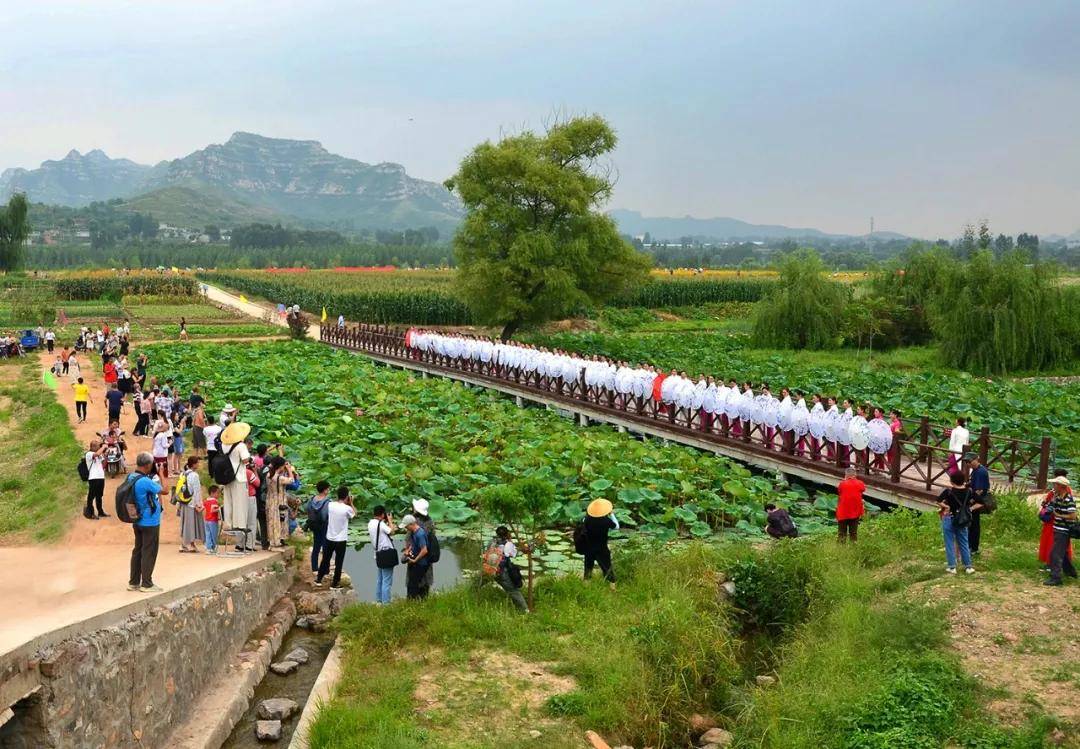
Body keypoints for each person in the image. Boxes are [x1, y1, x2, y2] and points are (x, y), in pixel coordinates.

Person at [128, 452, 163, 592]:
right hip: (150, 521)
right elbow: (164, 490)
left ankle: (134, 582)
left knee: (138, 550)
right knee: (149, 551)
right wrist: (161, 473)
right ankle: (147, 584)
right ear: (148, 465)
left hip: (137, 520)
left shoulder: (131, 477)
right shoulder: (145, 481)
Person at [219, 421, 253, 550]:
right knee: (240, 503)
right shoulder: (241, 446)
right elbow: (245, 460)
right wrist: (250, 459)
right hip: (239, 477)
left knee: (229, 502)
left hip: (227, 477)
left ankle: (228, 523)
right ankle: (240, 525)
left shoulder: (224, 445)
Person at [938, 471, 978, 574]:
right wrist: (969, 509)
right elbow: (981, 501)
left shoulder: (948, 492)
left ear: (952, 481)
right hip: (963, 520)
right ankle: (968, 567)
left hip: (949, 518)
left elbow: (938, 500)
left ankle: (952, 567)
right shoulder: (969, 491)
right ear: (963, 480)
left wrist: (946, 507)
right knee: (964, 542)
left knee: (949, 543)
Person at [316, 486, 356, 588]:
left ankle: (319, 579)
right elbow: (354, 514)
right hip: (341, 540)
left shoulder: (330, 505)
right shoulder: (348, 508)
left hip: (329, 537)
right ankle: (335, 583)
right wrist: (351, 503)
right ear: (347, 496)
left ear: (337, 495)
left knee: (325, 559)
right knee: (339, 562)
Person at [1045, 475, 1078, 586]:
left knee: (1055, 554)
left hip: (1063, 530)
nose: (1053, 486)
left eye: (1055, 484)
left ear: (1061, 486)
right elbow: (1050, 506)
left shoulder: (1068, 499)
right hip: (1058, 528)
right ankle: (1070, 572)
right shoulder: (1058, 497)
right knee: (1061, 553)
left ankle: (1056, 577)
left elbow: (1073, 516)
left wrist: (1059, 515)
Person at [1039, 470, 1072, 569]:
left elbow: (1067, 510)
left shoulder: (1062, 492)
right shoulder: (1064, 490)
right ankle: (1060, 565)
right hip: (1055, 520)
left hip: (1055, 521)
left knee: (1052, 542)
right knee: (1057, 543)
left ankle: (1053, 564)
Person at [492, 525, 528, 612]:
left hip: (490, 570)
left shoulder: (492, 542)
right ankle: (525, 610)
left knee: (479, 582)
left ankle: (471, 594)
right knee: (513, 591)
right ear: (507, 534)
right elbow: (514, 554)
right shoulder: (508, 544)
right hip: (501, 572)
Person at [582, 498, 618, 588]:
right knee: (607, 568)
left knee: (588, 568)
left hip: (589, 548)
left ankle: (586, 587)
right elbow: (616, 527)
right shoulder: (606, 521)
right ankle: (612, 588)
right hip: (602, 548)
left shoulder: (587, 519)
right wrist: (612, 514)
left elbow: (583, 522)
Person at [368, 505, 397, 604]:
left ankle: (379, 600)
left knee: (380, 579)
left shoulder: (371, 523)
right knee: (387, 580)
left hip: (378, 554)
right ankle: (386, 603)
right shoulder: (381, 524)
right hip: (386, 554)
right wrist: (390, 521)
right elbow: (392, 532)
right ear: (382, 514)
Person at [176, 456, 204, 552]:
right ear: (194, 464)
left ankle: (187, 544)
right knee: (191, 524)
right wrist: (199, 504)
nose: (198, 464)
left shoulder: (183, 474)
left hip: (184, 502)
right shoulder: (195, 475)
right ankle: (188, 545)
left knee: (185, 524)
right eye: (197, 463)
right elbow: (197, 491)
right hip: (191, 503)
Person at [401, 513, 431, 600]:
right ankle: (414, 601)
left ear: (411, 524)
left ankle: (411, 603)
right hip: (417, 562)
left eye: (406, 526)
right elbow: (415, 546)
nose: (406, 528)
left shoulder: (420, 534)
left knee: (413, 585)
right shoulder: (414, 533)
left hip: (421, 563)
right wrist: (409, 550)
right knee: (412, 583)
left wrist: (415, 560)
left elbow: (424, 550)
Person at [306, 481, 333, 574]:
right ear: (325, 490)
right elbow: (327, 515)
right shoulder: (327, 501)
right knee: (326, 548)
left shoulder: (312, 499)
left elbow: (308, 510)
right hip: (324, 525)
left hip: (314, 525)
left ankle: (314, 568)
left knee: (316, 546)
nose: (328, 490)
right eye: (328, 488)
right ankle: (325, 569)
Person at [967, 454, 990, 556]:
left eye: (969, 461)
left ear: (976, 460)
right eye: (966, 462)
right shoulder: (975, 470)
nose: (968, 464)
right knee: (970, 525)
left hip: (978, 501)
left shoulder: (981, 472)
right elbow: (972, 483)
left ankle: (974, 548)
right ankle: (970, 546)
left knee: (974, 525)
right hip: (974, 498)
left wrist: (971, 500)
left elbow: (980, 490)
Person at [836, 468, 865, 543]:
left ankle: (841, 549)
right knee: (853, 533)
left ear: (846, 475)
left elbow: (839, 491)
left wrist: (845, 480)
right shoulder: (860, 483)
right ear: (855, 475)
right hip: (855, 512)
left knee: (841, 533)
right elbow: (862, 490)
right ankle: (853, 547)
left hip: (843, 512)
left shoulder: (842, 484)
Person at [84, 439, 108, 519]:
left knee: (99, 496)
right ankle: (90, 513)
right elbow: (96, 454)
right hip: (93, 478)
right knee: (91, 496)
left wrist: (105, 456)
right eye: (98, 446)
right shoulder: (89, 454)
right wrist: (104, 446)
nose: (99, 447)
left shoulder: (99, 454)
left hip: (101, 477)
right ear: (93, 447)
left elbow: (103, 465)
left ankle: (100, 512)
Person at [203, 484, 222, 555]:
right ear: (212, 493)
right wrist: (220, 508)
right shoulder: (214, 501)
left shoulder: (206, 501)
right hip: (213, 520)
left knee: (208, 534)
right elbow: (213, 510)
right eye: (217, 493)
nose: (218, 494)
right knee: (214, 534)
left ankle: (208, 548)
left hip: (206, 520)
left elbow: (202, 507)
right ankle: (213, 548)